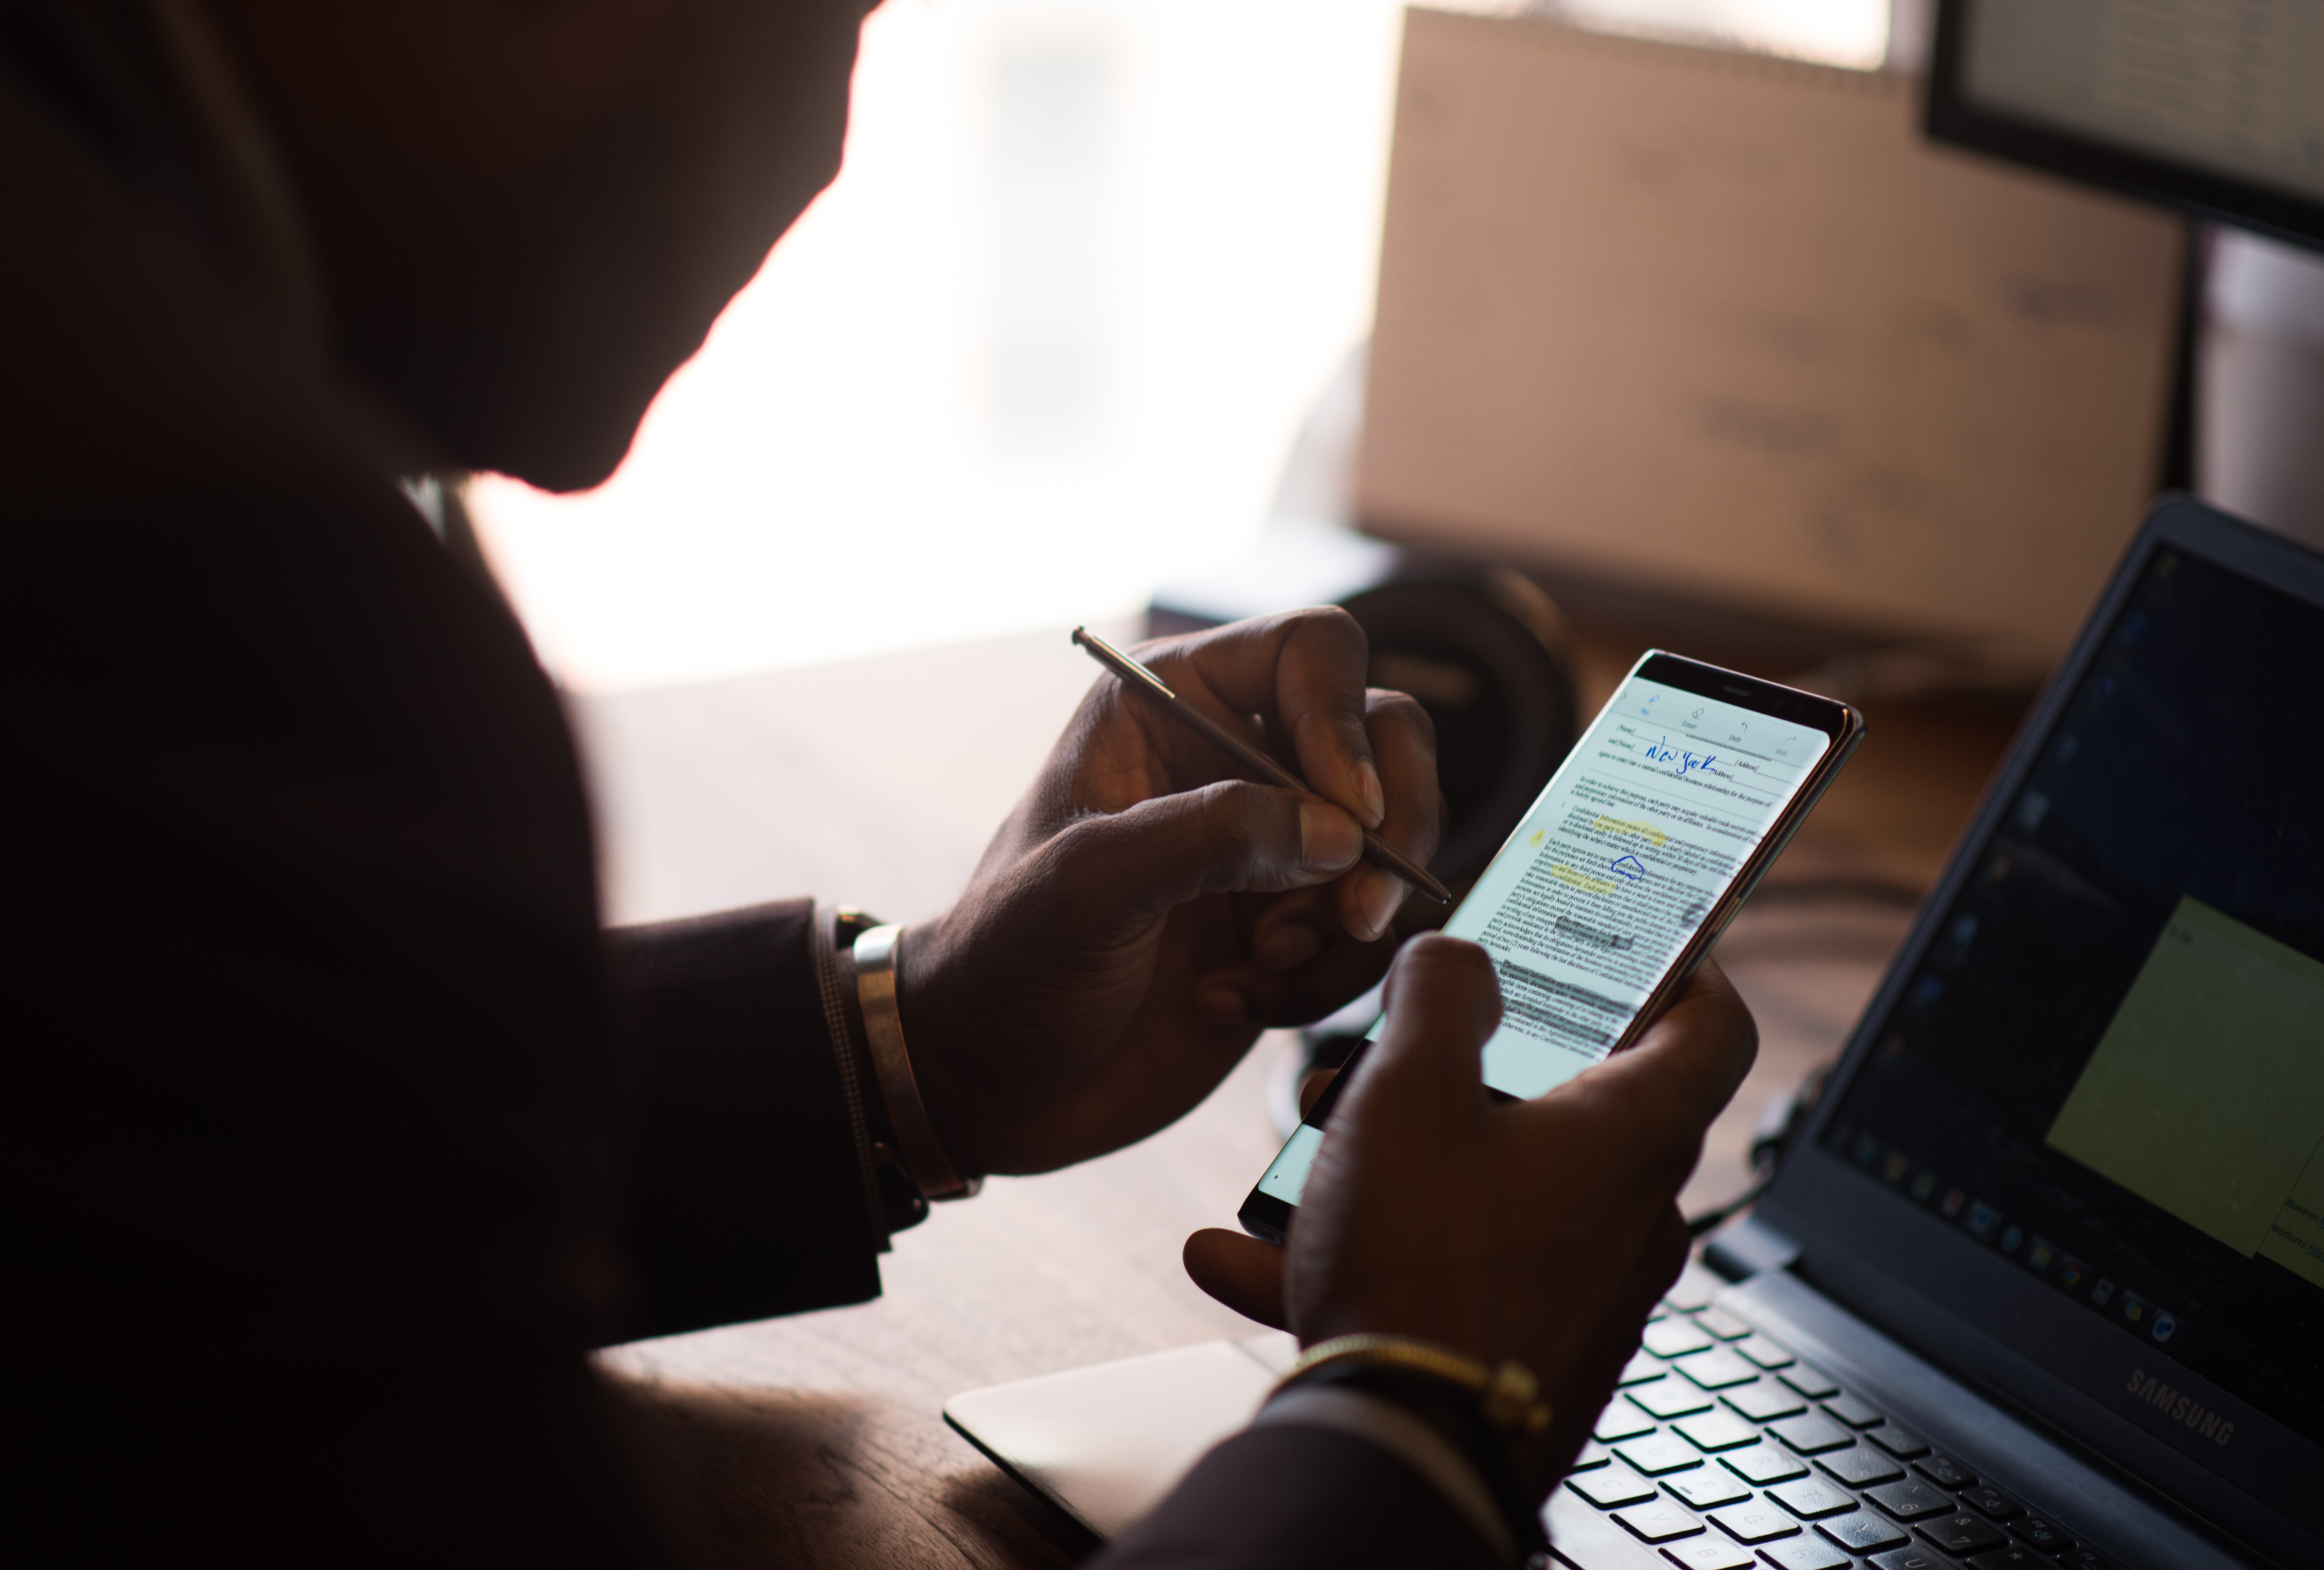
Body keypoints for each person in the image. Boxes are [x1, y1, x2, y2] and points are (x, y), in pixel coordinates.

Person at [0, 2, 1757, 1564]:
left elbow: (132, 1144)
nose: (826, 151)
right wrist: (1421, 1403)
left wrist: (909, 1045)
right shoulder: (190, 585)